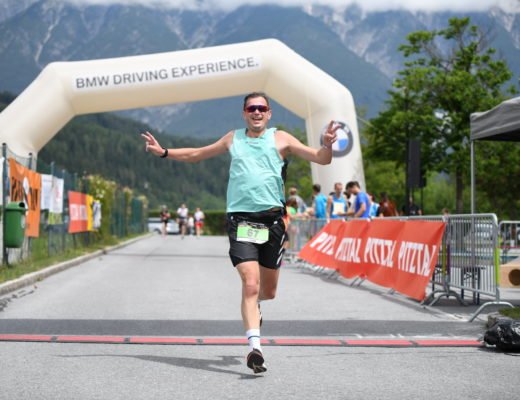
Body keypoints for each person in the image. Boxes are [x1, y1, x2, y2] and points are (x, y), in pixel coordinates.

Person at [141, 91, 338, 374]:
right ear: (244, 113)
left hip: (272, 224)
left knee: (267, 292)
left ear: (269, 113)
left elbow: (321, 159)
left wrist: (327, 145)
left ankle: (256, 311)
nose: (256, 112)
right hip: (241, 222)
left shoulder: (281, 138)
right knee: (250, 284)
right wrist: (164, 153)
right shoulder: (233, 138)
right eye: (251, 108)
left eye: (262, 108)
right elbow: (198, 154)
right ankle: (255, 348)